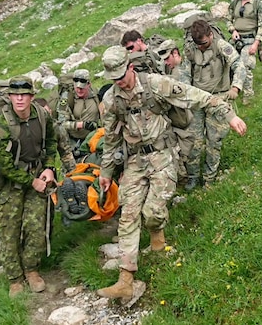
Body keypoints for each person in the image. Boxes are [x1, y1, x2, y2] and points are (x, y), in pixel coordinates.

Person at [95, 45, 247, 302]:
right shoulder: (111, 100)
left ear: (131, 67)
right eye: (113, 78)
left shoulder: (156, 84)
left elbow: (196, 96)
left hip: (163, 155)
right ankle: (125, 280)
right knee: (128, 213)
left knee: (152, 212)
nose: (119, 81)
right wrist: (106, 172)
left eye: (121, 75)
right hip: (135, 159)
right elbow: (110, 139)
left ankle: (157, 243)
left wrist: (229, 115)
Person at [0, 76, 58, 297]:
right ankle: (15, 278)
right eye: (15, 95)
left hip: (38, 175)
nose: (19, 98)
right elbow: (5, 166)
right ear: (9, 97)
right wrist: (32, 181)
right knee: (10, 229)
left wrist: (49, 168)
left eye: (24, 94)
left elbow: (51, 143)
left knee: (36, 227)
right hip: (12, 184)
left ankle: (32, 270)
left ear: (31, 96)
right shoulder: (0, 126)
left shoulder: (42, 117)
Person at [182, 19, 247, 191]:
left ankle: (209, 179)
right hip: (197, 99)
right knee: (193, 141)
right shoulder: (190, 49)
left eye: (204, 43)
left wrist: (236, 86)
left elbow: (239, 64)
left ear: (210, 35)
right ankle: (193, 177)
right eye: (198, 45)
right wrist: (186, 95)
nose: (201, 47)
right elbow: (184, 74)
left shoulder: (221, 46)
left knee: (214, 141)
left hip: (219, 97)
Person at [156, 39, 194, 184]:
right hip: (178, 120)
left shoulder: (183, 69)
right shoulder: (172, 69)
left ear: (175, 53)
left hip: (187, 119)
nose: (166, 62)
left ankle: (190, 179)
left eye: (167, 58)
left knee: (189, 151)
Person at [226, 0, 262, 105]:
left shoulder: (258, 4)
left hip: (250, 39)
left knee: (245, 66)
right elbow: (228, 18)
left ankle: (248, 96)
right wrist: (232, 30)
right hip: (236, 39)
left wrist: (256, 43)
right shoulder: (235, 3)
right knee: (229, 63)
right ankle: (231, 90)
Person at [54, 70, 101, 157]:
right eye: (77, 87)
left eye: (82, 88)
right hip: (75, 141)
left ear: (89, 84)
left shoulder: (95, 94)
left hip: (94, 137)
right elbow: (61, 124)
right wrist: (82, 125)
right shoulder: (67, 98)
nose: (79, 90)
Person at [34, 98, 76, 173]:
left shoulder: (56, 128)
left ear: (50, 111)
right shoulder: (27, 127)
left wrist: (73, 172)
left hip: (48, 170)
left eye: (46, 113)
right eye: (42, 114)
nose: (45, 117)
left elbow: (65, 153)